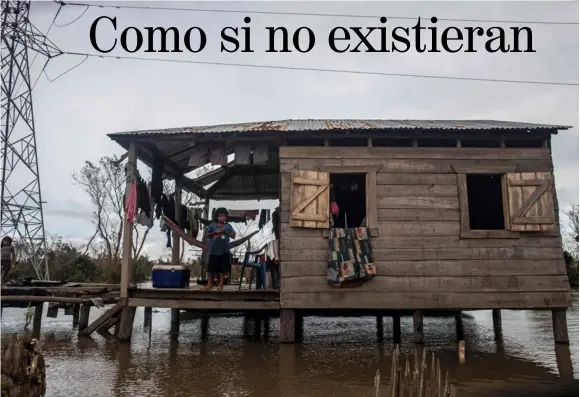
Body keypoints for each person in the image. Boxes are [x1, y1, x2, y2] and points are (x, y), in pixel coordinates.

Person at [204, 208, 235, 291]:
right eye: (220, 216)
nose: (222, 218)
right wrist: (215, 233)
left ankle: (220, 285)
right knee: (210, 269)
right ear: (217, 217)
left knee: (222, 269)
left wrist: (225, 232)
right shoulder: (212, 225)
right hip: (213, 250)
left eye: (224, 216)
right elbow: (207, 235)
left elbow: (233, 235)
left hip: (224, 251)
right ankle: (210, 284)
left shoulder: (228, 226)